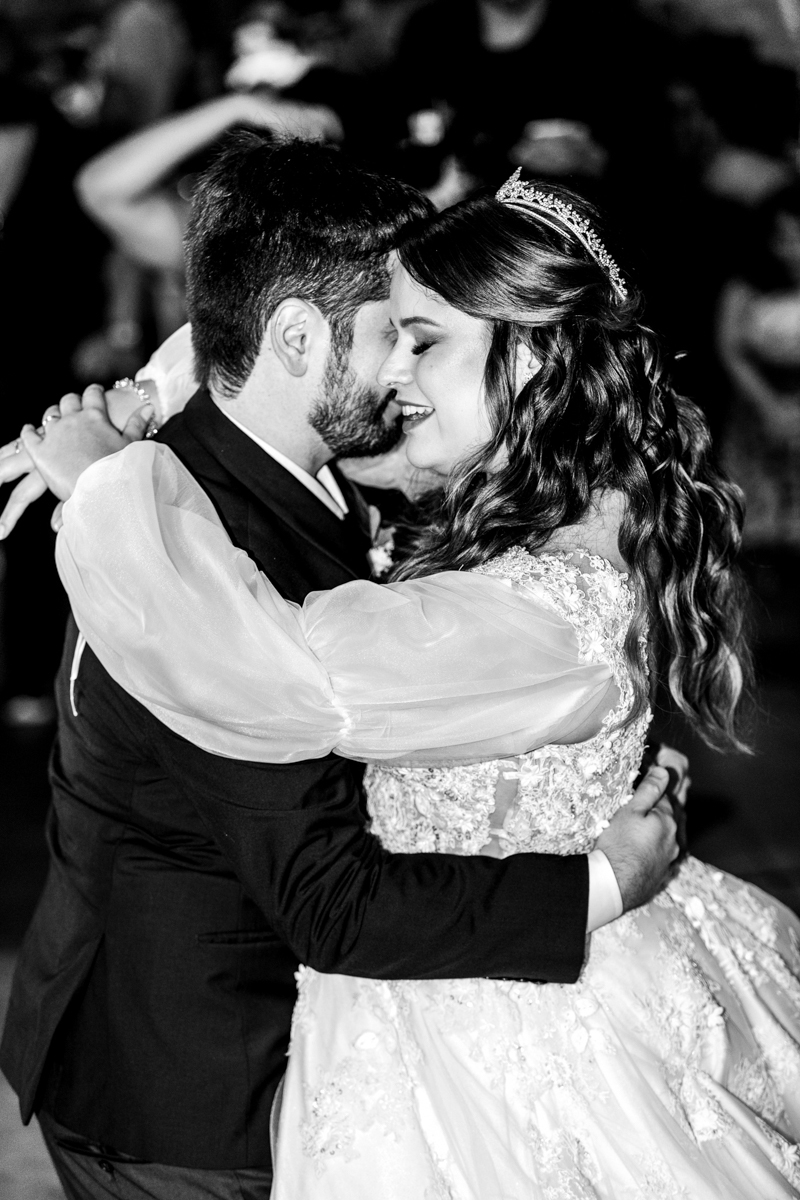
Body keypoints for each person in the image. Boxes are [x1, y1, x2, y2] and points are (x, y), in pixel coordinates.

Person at [16, 171, 800, 1197]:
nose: (397, 374)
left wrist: (103, 482)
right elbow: (275, 343)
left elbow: (278, 668)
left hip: (503, 1029)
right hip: (206, 1054)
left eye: (420, 340)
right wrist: (158, 400)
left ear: (530, 361)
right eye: (393, 334)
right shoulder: (543, 491)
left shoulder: (530, 606)